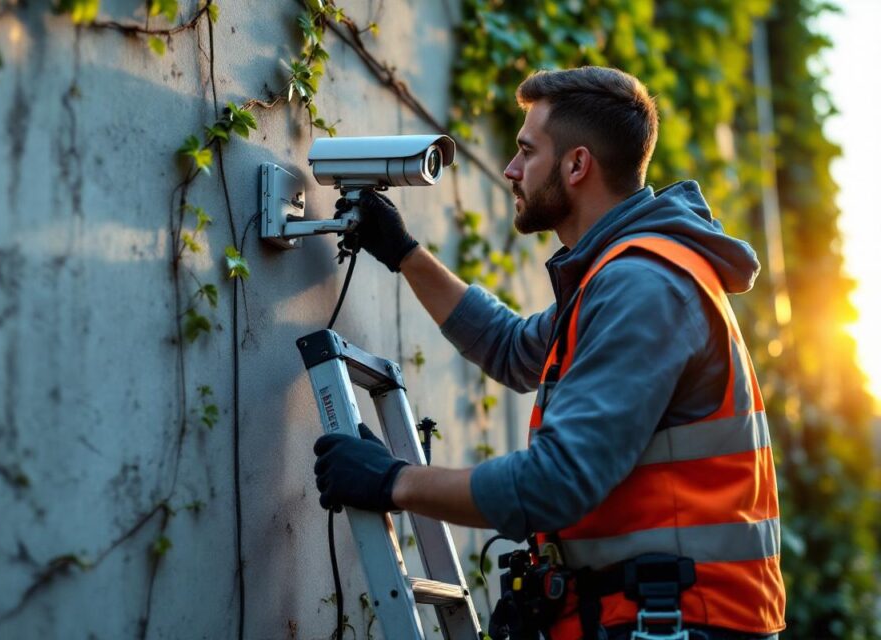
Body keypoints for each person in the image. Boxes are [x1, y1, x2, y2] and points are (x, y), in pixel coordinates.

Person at [312, 66, 785, 640]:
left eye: (527, 151)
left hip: (677, 624)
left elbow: (555, 482)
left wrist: (394, 482)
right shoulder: (619, 276)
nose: (511, 169)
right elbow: (511, 348)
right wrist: (404, 253)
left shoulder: (643, 287)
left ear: (576, 165)